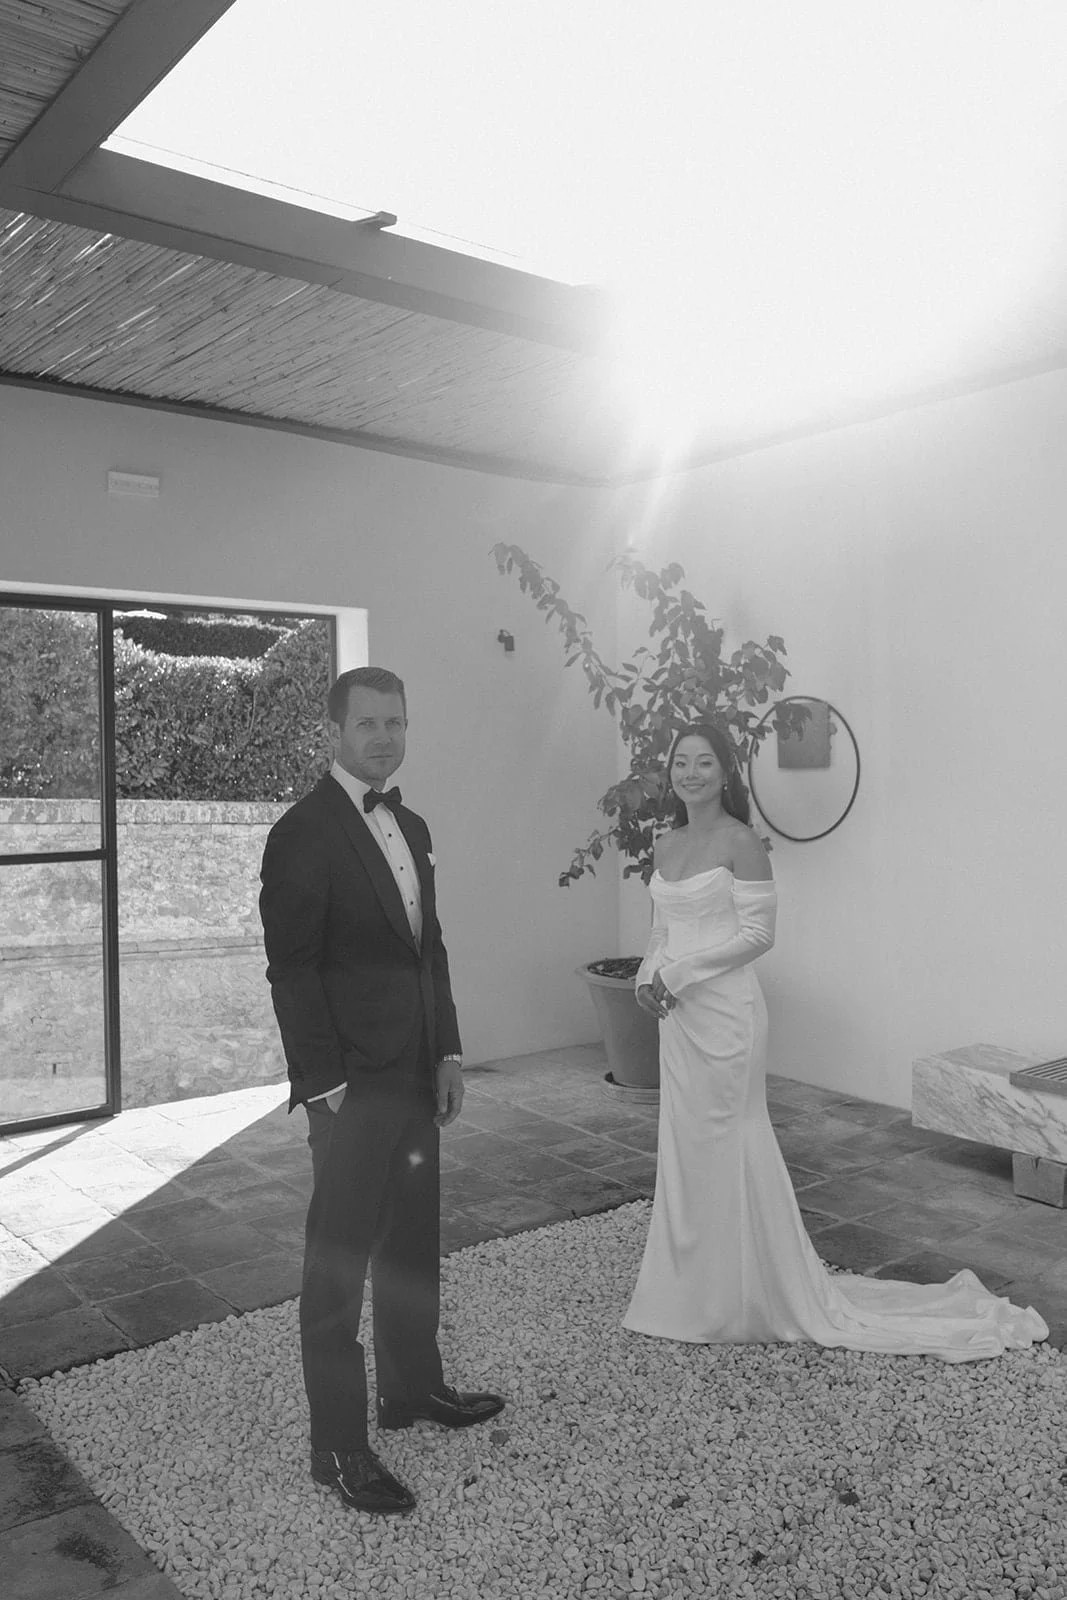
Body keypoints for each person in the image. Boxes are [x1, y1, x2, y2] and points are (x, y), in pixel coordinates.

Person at [624, 721, 1048, 1360]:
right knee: (684, 1145)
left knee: (731, 1138)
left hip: (726, 1018)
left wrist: (680, 972)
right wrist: (644, 975)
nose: (690, 773)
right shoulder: (665, 844)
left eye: (703, 762)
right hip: (678, 1019)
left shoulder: (743, 842)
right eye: (681, 762)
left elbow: (758, 937)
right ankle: (687, 1289)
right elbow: (662, 929)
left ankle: (749, 1292)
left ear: (725, 772)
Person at [259, 666, 503, 1517]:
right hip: (350, 1088)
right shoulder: (302, 833)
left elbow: (426, 950)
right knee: (337, 1266)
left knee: (410, 1244)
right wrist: (323, 1086)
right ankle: (337, 1447)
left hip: (414, 1072)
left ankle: (412, 1390)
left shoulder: (414, 824)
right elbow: (290, 970)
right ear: (332, 732)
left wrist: (449, 1054)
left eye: (396, 722)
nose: (384, 737)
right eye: (367, 723)